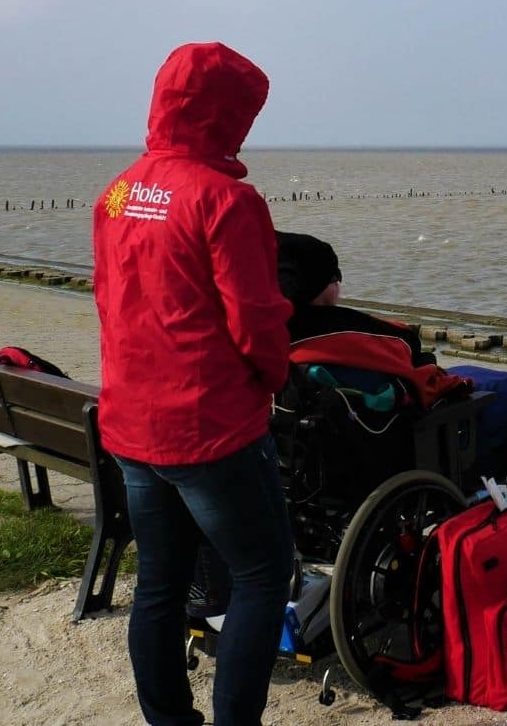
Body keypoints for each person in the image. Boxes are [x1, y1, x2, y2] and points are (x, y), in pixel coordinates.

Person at [93, 42, 296, 726]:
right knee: (262, 575)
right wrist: (275, 378)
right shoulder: (226, 199)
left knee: (160, 582)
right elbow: (256, 318)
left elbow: (110, 297)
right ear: (227, 115)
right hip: (210, 427)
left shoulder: (119, 192)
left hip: (132, 421)